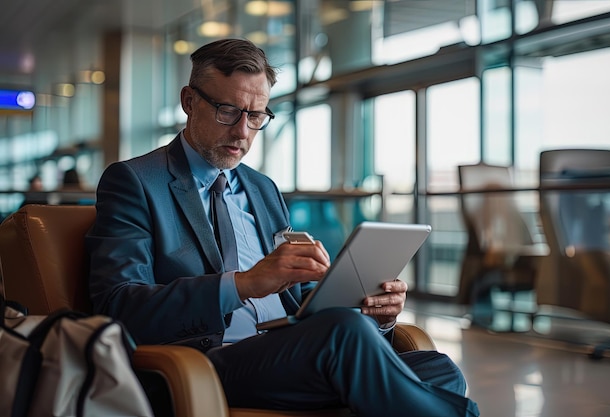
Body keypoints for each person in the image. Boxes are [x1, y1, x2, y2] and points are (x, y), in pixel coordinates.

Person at [85, 38, 479, 417]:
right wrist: (242, 284)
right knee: (348, 336)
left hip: (292, 350)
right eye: (228, 110)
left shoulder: (262, 188)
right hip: (208, 360)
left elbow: (304, 296)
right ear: (190, 101)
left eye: (256, 116)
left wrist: (375, 313)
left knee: (439, 369)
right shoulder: (135, 181)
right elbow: (118, 305)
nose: (242, 132)